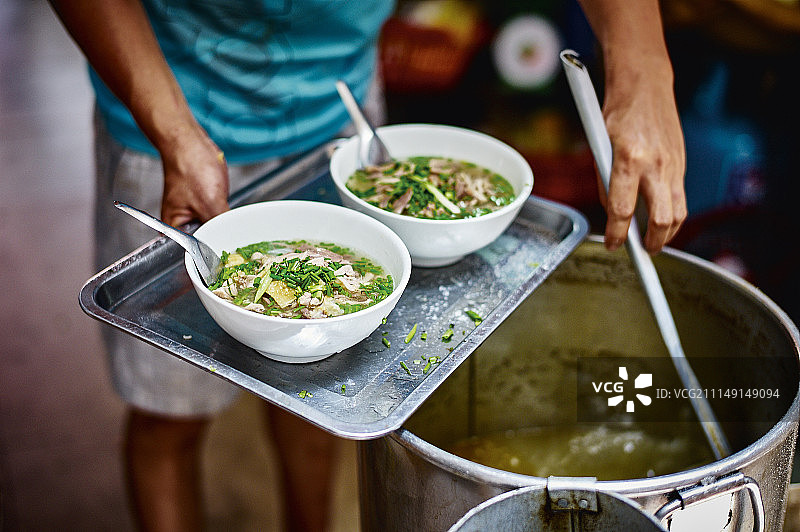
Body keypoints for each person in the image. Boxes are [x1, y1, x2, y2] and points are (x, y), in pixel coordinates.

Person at [49, 0, 685, 530]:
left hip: (340, 121)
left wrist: (645, 72)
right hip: (169, 119)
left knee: (319, 394)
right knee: (169, 417)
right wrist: (173, 131)